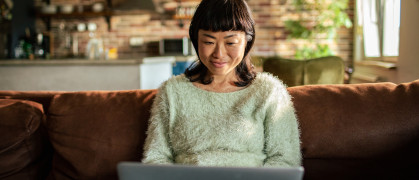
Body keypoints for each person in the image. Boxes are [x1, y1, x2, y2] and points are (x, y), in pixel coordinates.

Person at [142, 0, 301, 167]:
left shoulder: (269, 91)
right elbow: (155, 157)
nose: (219, 54)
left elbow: (285, 160)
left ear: (247, 41)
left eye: (230, 43)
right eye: (208, 42)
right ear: (196, 41)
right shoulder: (172, 91)